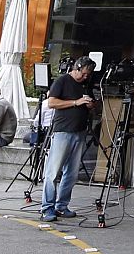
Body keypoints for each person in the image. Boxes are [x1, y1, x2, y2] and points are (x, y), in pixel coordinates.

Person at [41, 58, 96, 223]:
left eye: (88, 75)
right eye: (84, 74)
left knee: (71, 174)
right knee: (53, 172)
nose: (85, 77)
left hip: (79, 131)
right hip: (63, 131)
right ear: (77, 68)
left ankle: (62, 205)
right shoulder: (62, 81)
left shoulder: (85, 84)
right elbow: (51, 102)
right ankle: (47, 208)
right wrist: (75, 102)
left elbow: (92, 102)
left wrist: (91, 104)